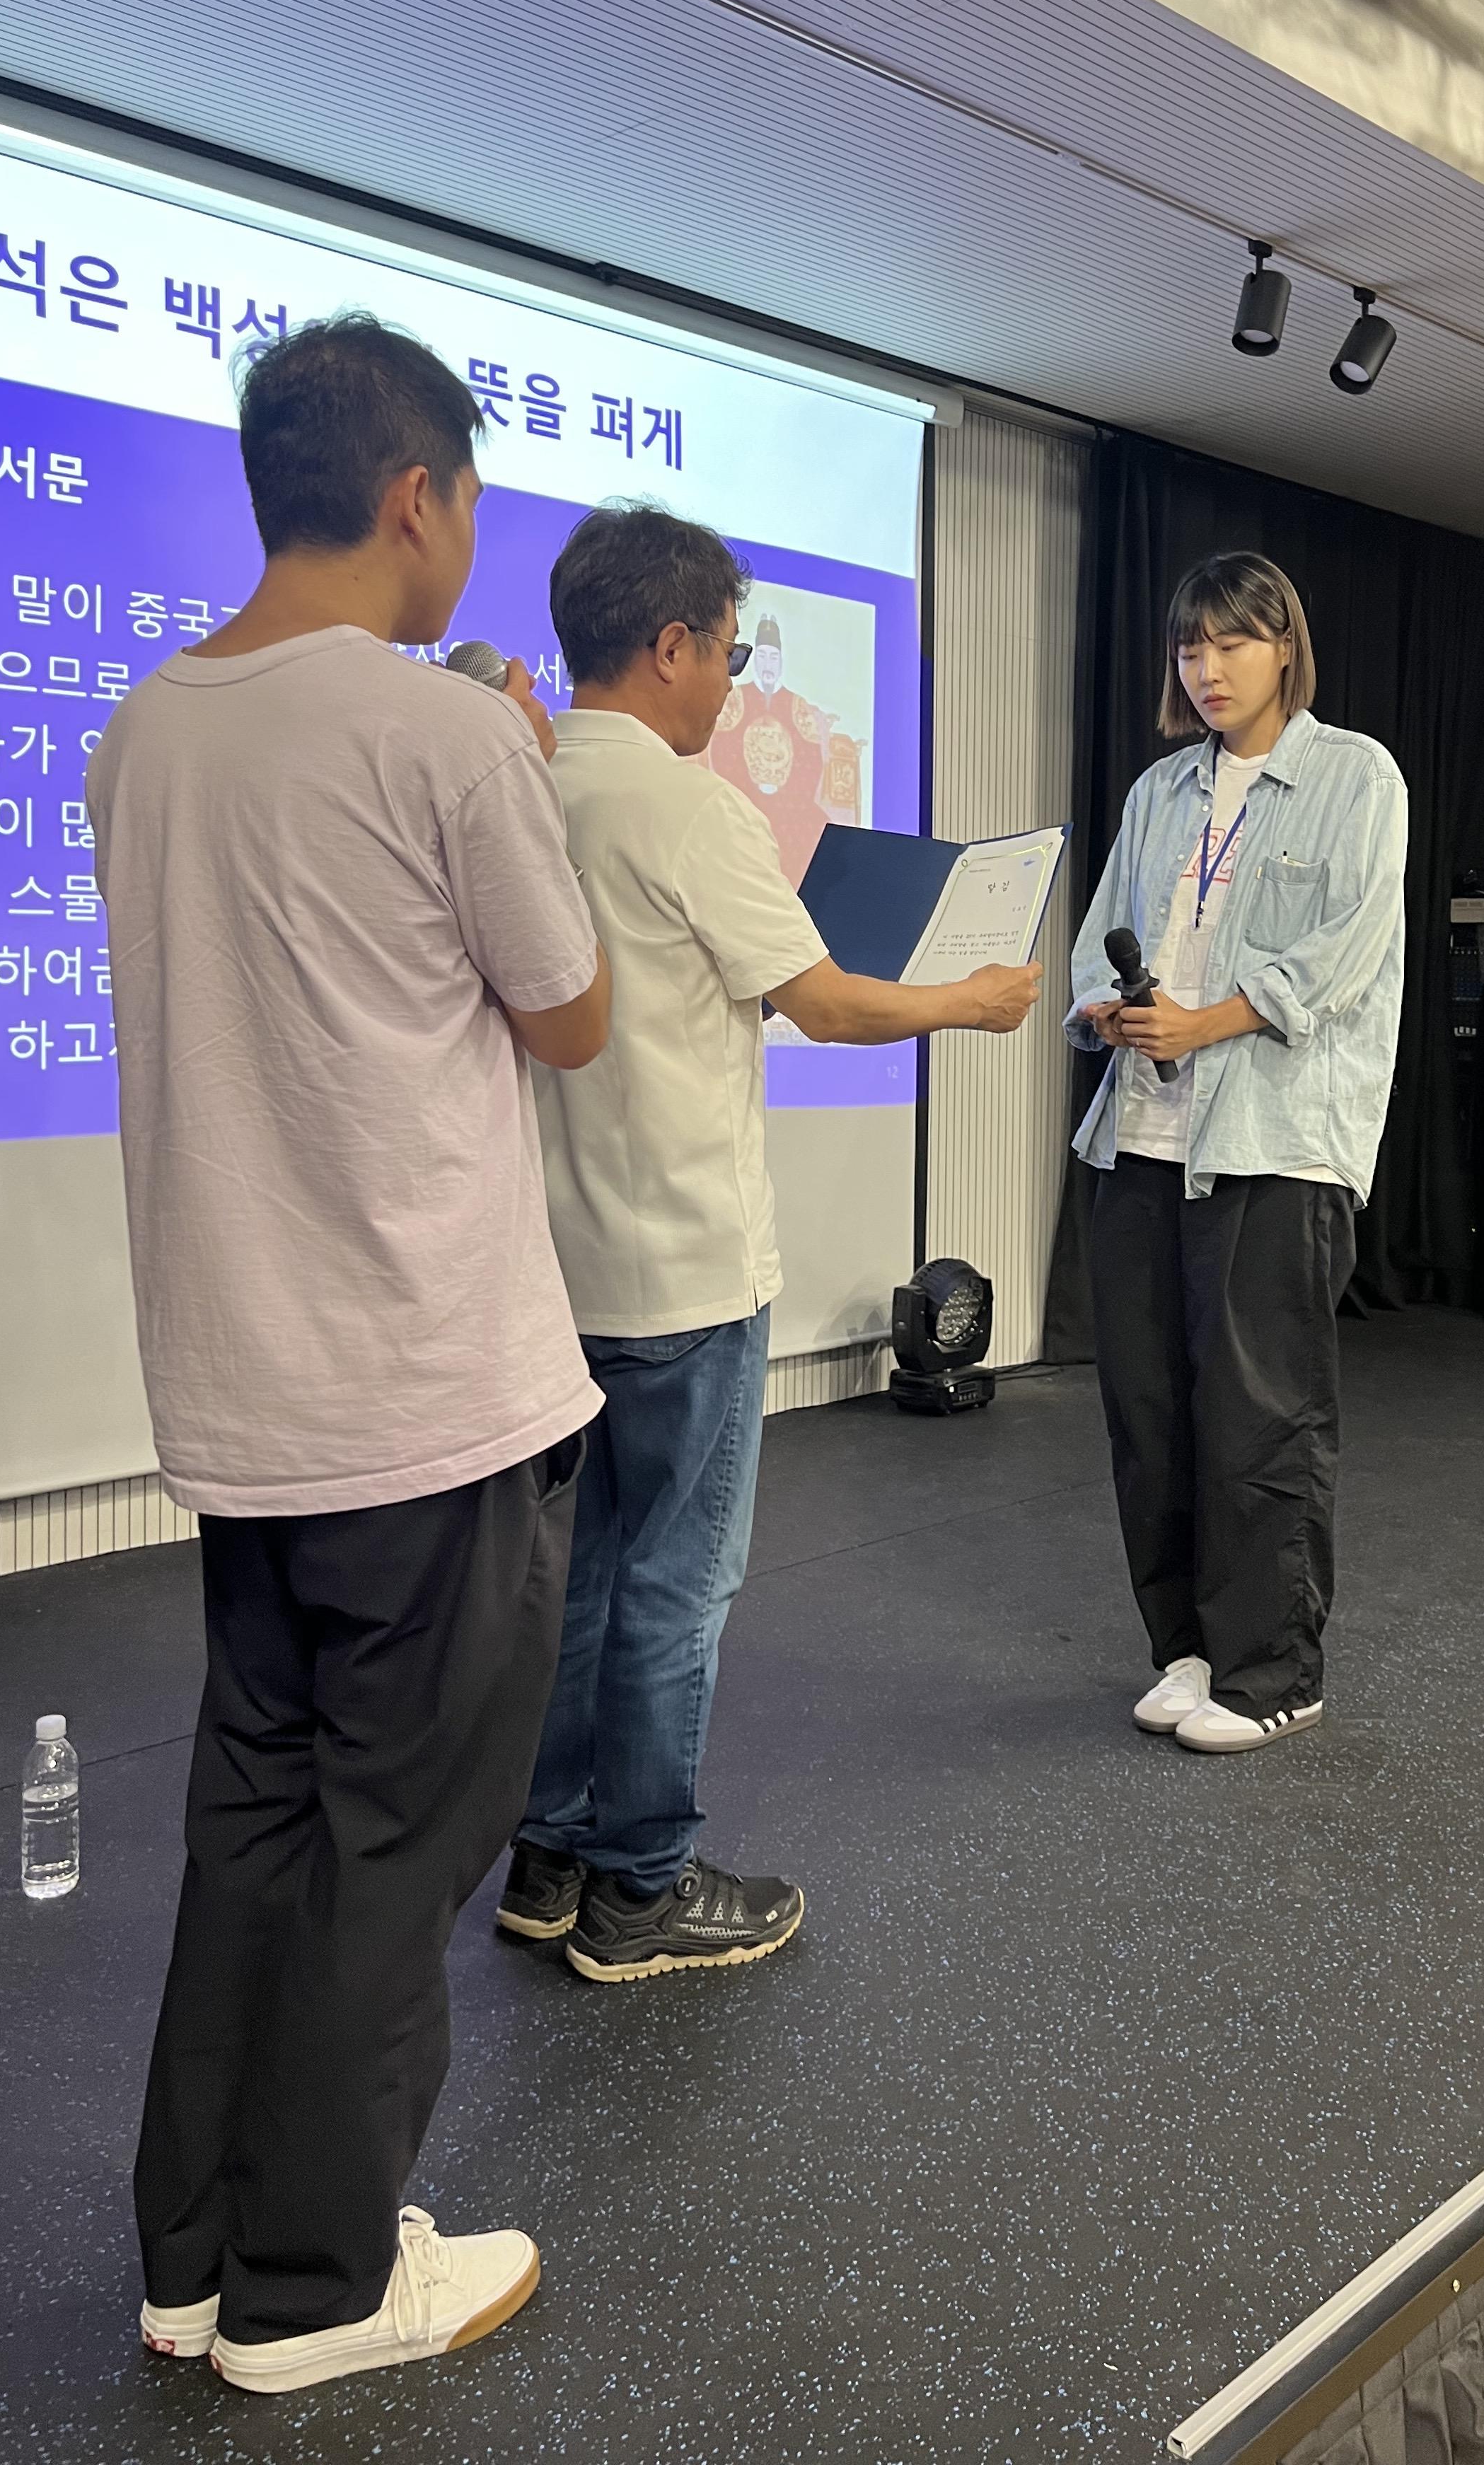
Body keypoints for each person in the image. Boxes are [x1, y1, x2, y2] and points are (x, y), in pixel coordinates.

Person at [89, 315, 610, 2395]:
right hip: (429, 1397)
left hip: (249, 1402)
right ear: (417, 499)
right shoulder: (446, 737)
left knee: (260, 1821)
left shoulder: (144, 730)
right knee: (395, 1845)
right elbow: (568, 1015)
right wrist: (514, 768)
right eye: (472, 504)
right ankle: (313, 2291)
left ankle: (196, 2260)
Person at [497, 501, 1040, 1980]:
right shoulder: (688, 809)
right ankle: (641, 1891)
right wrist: (967, 1002)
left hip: (553, 1270)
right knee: (676, 1580)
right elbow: (824, 1002)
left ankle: (548, 1860)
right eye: (731, 656)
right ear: (670, 643)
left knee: (585, 1572)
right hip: (684, 1265)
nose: (733, 687)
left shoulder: (515, 782)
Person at [1065, 551, 1405, 1754]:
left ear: (1283, 646)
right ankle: (1189, 1649)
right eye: (1188, 646)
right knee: (1150, 1413)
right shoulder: (1161, 789)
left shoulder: (1355, 774)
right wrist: (1107, 1011)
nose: (1206, 668)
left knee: (1261, 1419)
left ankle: (1275, 1674)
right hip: (1139, 1136)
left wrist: (1202, 1022)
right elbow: (1097, 939)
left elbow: (1341, 954)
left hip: (1273, 1144)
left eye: (1231, 642)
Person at [709, 608, 833, 882]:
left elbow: (812, 762)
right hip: (742, 799)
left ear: (781, 662)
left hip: (791, 803)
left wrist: (784, 791)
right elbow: (721, 754)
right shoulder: (735, 699)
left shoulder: (798, 706)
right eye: (763, 657)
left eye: (773, 658)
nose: (768, 664)